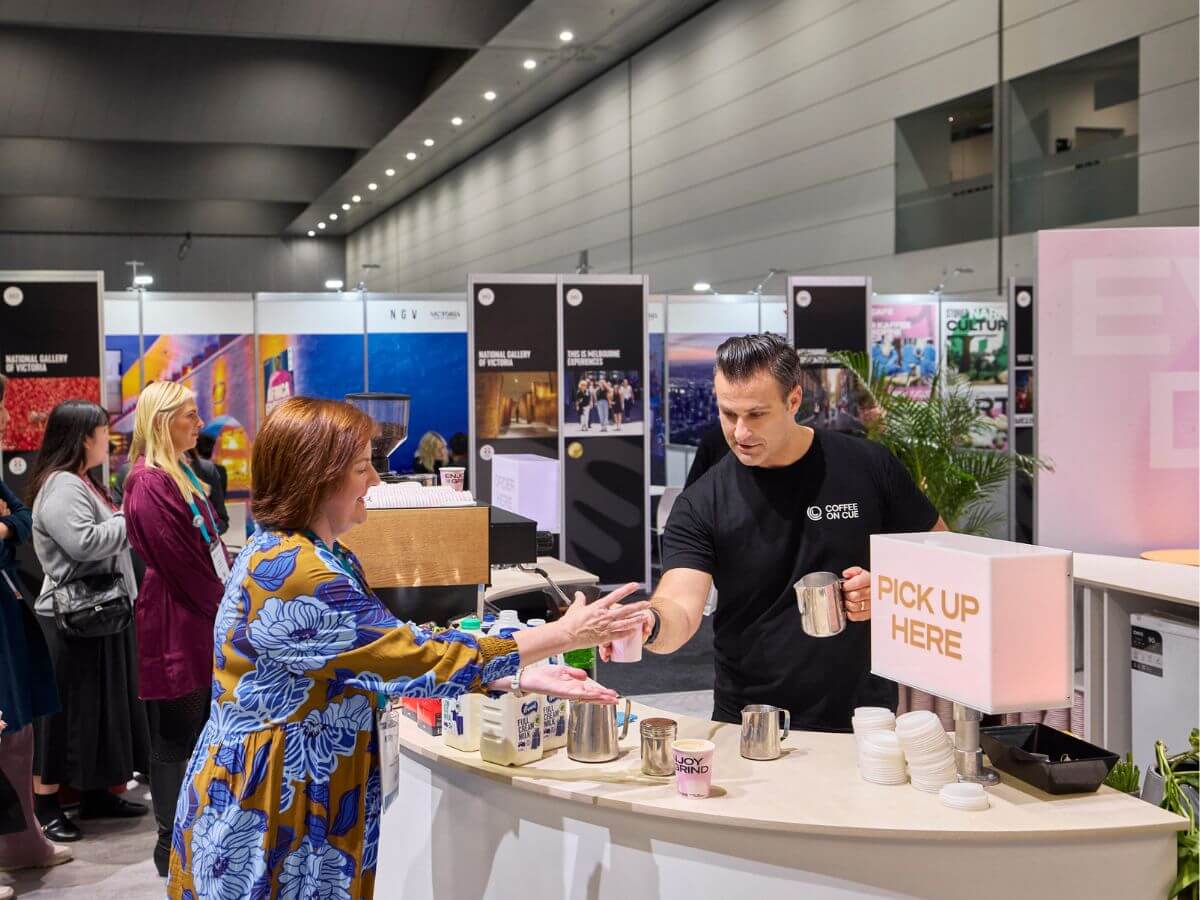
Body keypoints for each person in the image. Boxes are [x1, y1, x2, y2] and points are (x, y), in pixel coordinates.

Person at [165, 397, 648, 898]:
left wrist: (516, 673)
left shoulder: (312, 553)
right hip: (272, 805)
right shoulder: (298, 573)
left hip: (292, 788)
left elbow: (387, 648)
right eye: (361, 468)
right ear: (316, 477)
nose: (375, 481)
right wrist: (565, 634)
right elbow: (414, 657)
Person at [602, 334, 946, 731]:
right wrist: (651, 623)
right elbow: (680, 606)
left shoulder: (868, 466)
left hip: (866, 716)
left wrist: (889, 588)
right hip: (750, 719)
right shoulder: (701, 502)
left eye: (756, 414)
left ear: (794, 400)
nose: (741, 433)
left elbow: (942, 556)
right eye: (728, 414)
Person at [28, 400, 150, 842]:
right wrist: (132, 518)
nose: (108, 438)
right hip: (70, 621)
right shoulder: (62, 485)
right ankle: (45, 804)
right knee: (67, 715)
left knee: (100, 709)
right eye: (102, 430)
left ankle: (97, 791)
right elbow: (83, 543)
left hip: (98, 615)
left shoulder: (83, 482)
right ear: (83, 436)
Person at [123, 382, 228, 877]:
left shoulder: (178, 472)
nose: (198, 421)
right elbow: (183, 563)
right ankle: (170, 840)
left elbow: (204, 549)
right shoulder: (149, 482)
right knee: (177, 732)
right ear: (164, 420)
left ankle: (189, 831)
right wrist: (226, 606)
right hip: (177, 621)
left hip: (195, 614)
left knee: (195, 727)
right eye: (189, 414)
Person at [0, 376, 71, 874]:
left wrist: (4, 525)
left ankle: (23, 842)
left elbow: (21, 517)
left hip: (6, 611)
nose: (6, 418)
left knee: (16, 729)